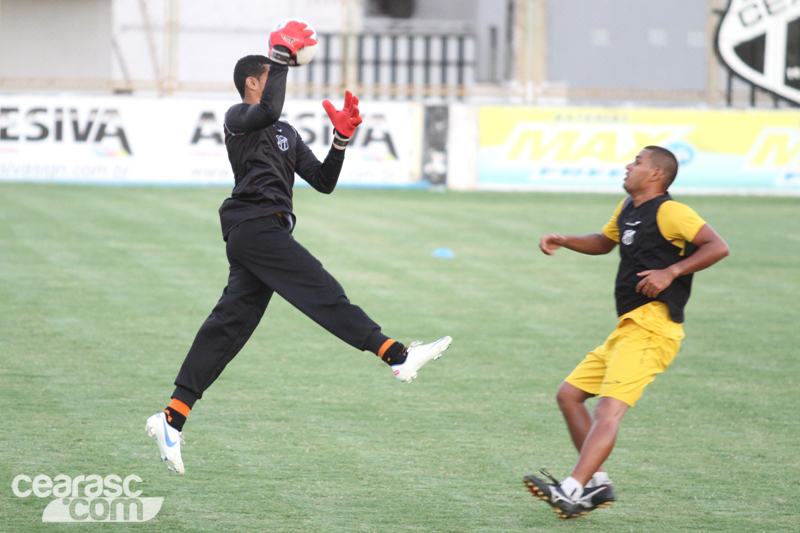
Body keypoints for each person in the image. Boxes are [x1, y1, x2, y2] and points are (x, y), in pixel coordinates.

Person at [145, 21, 452, 475]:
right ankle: (397, 355)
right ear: (253, 82)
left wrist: (341, 141)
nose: (276, 79)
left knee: (228, 326)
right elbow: (267, 110)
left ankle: (172, 417)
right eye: (270, 73)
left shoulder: (285, 130)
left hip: (266, 233)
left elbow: (323, 182)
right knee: (321, 290)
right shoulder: (237, 118)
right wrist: (282, 55)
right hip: (253, 226)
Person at [523, 146, 729, 519]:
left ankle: (571, 490)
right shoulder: (627, 209)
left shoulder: (672, 211)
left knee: (608, 410)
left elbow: (718, 246)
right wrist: (566, 239)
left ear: (655, 175)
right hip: (628, 327)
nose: (628, 166)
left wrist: (672, 272)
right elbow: (604, 243)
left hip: (654, 327)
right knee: (569, 396)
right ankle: (597, 484)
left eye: (637, 162)